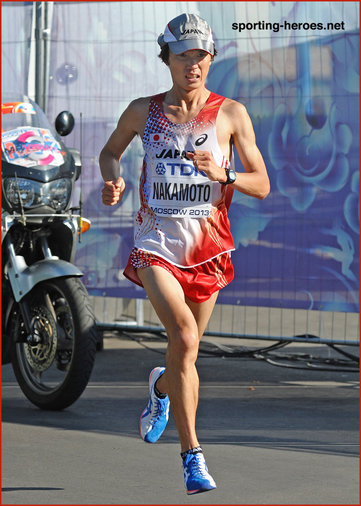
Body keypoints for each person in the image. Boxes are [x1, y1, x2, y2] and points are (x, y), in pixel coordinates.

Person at [99, 12, 270, 495]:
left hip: (208, 247)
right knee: (186, 337)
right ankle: (192, 458)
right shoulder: (142, 111)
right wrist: (111, 179)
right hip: (155, 243)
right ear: (167, 59)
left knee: (183, 355)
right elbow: (110, 152)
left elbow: (262, 184)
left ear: (210, 59)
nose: (192, 65)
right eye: (183, 56)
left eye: (200, 56)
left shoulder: (231, 114)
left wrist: (226, 175)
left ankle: (160, 387)